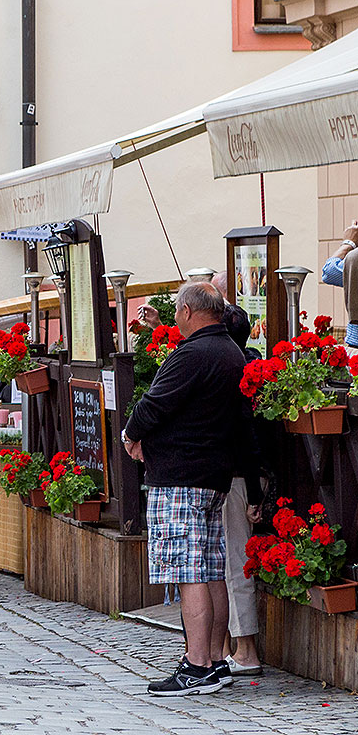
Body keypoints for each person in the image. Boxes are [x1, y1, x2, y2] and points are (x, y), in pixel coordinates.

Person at [122, 282, 254, 696]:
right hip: (213, 474)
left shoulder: (194, 353)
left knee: (189, 572)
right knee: (212, 571)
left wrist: (131, 434)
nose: (175, 316)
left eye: (177, 310)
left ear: (188, 312)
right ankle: (214, 660)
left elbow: (153, 404)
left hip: (182, 474)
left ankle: (196, 666)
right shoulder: (231, 351)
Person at [218, 304, 267, 678]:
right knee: (230, 563)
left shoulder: (234, 371)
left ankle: (246, 649)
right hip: (241, 478)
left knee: (236, 563)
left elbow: (247, 439)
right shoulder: (249, 362)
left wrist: (253, 494)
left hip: (238, 479)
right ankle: (231, 646)